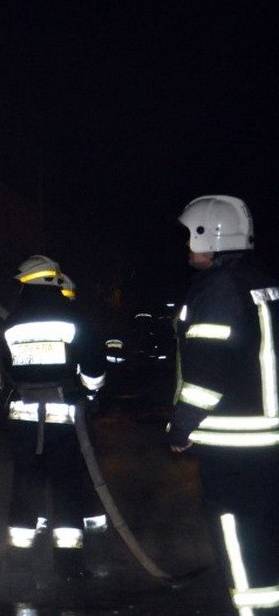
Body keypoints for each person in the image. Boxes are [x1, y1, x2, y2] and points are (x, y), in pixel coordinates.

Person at [168, 195, 279, 615]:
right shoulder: (263, 283)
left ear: (209, 236)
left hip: (234, 444)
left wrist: (182, 426)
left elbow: (207, 373)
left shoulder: (218, 289)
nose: (187, 246)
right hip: (268, 439)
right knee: (265, 533)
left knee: (237, 534)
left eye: (190, 236)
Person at [1, 255, 106, 579]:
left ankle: (19, 563)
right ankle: (69, 566)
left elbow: (6, 368)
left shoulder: (12, 322)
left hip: (23, 422)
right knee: (67, 487)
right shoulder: (72, 319)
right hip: (65, 422)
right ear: (54, 281)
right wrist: (90, 395)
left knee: (26, 485)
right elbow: (94, 368)